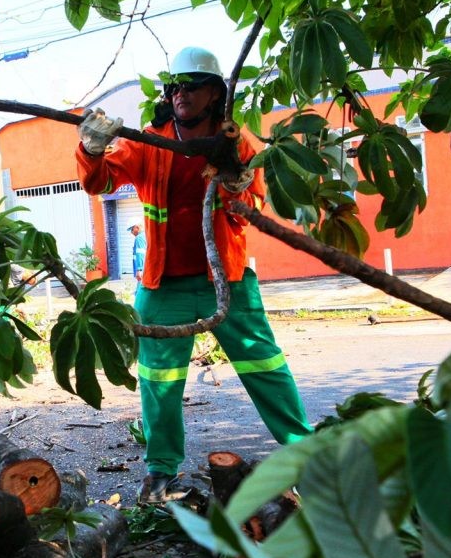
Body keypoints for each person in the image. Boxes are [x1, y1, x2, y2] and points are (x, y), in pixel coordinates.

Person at [75, 46, 313, 504]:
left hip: (228, 281)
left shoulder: (236, 143)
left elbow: (252, 207)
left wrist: (239, 186)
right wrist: (91, 148)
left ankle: (306, 458)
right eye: (175, 86)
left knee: (266, 367)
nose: (181, 94)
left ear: (215, 93)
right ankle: (160, 472)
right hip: (163, 285)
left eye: (193, 86)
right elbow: (99, 182)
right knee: (159, 383)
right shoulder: (149, 140)